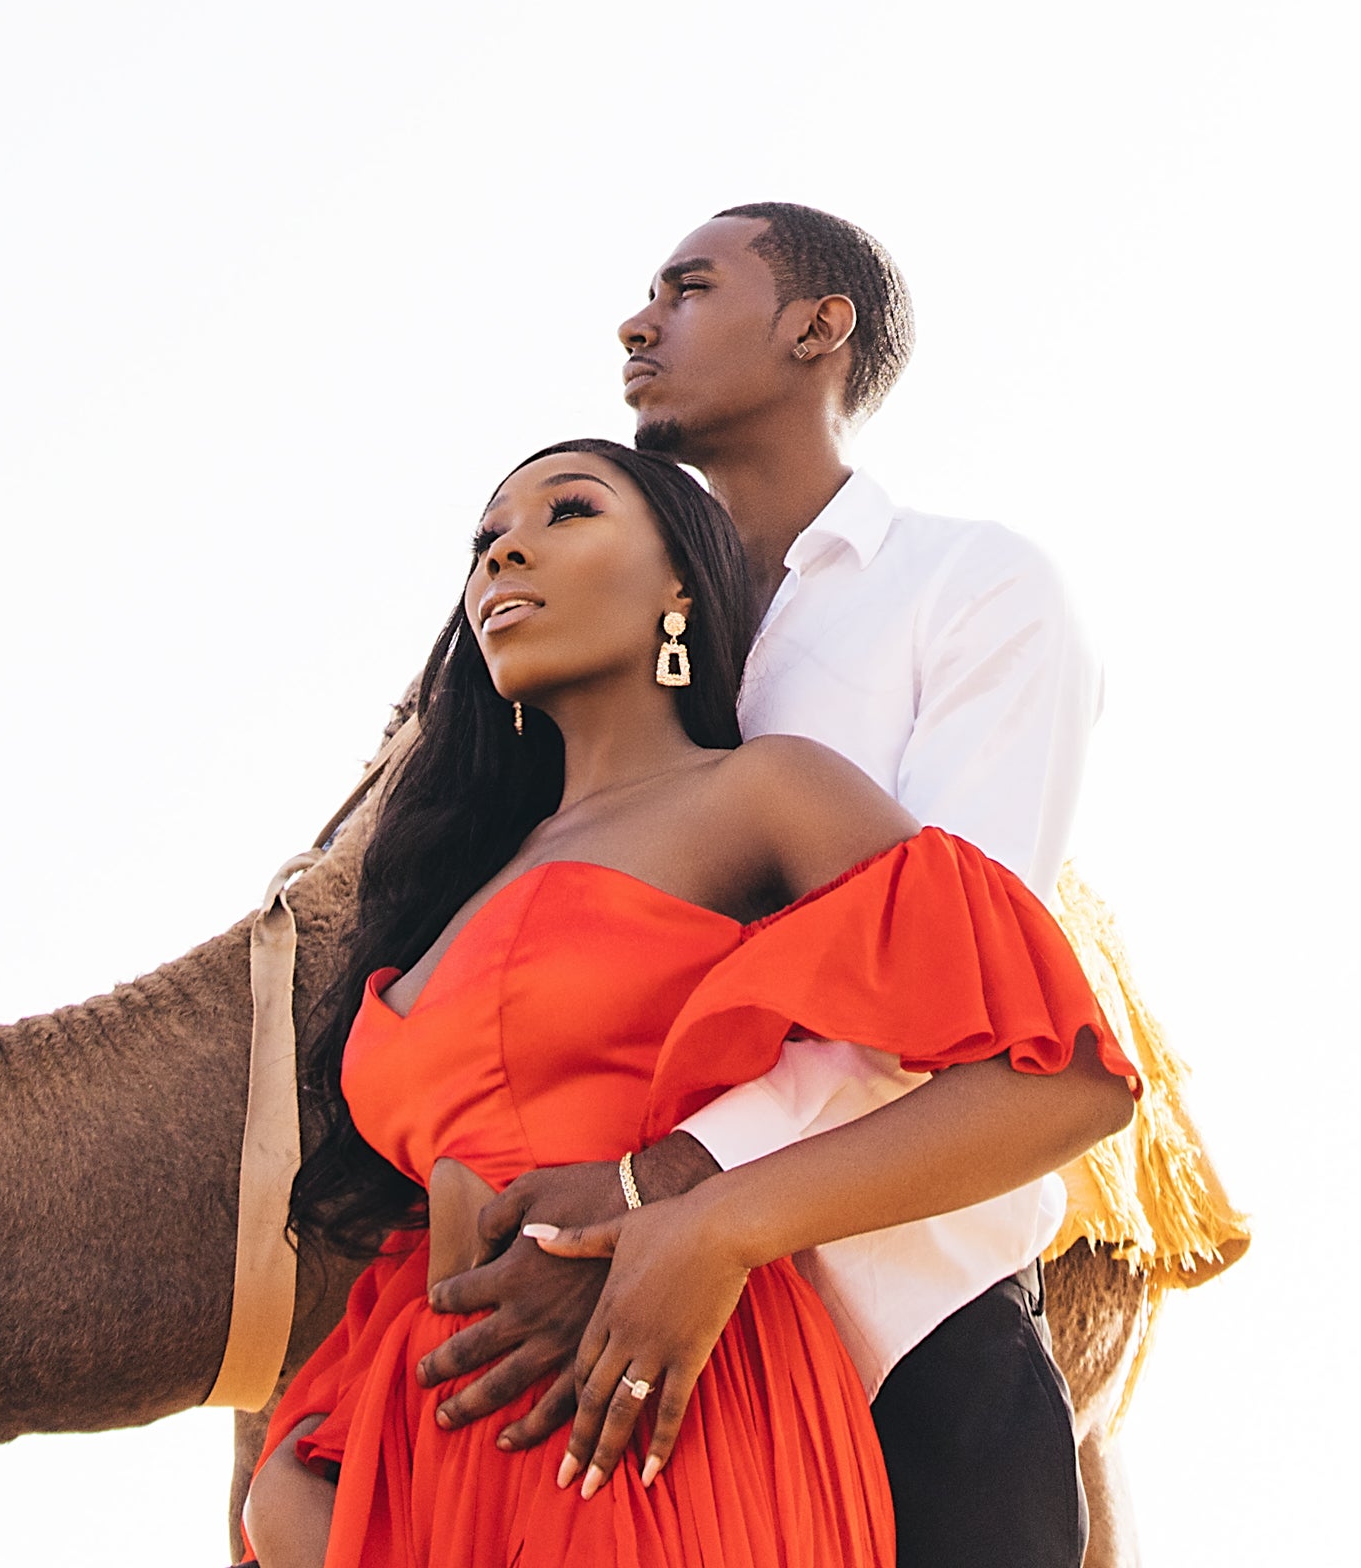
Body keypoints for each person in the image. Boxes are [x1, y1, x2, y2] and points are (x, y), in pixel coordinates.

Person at [242, 439, 1135, 1567]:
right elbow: (419, 1254)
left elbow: (1063, 1082)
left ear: (681, 587)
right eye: (483, 539)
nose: (504, 548)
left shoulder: (765, 793)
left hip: (664, 1438)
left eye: (569, 510)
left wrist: (716, 1225)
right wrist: (295, 1476)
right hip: (438, 1480)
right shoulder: (450, 884)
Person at [417, 208, 1105, 1568]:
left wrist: (665, 1188)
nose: (637, 322)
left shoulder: (971, 591)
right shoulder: (620, 631)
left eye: (687, 288)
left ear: (817, 327)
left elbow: (961, 995)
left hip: (910, 1305)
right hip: (598, 1351)